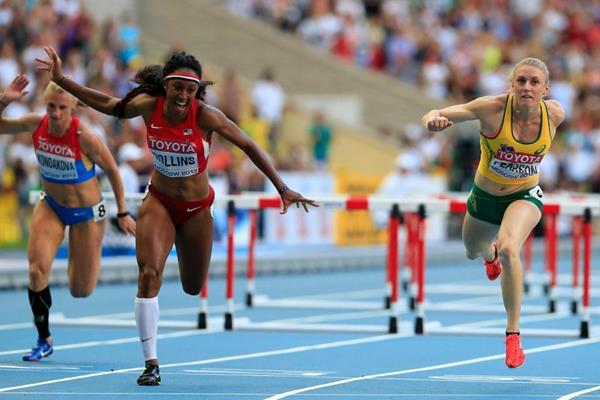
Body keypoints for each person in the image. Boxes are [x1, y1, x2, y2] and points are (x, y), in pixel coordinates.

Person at [37, 46, 318, 385]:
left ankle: (165, 328)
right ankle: (151, 362)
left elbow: (248, 145)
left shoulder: (206, 116)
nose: (183, 96)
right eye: (178, 88)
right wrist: (62, 80)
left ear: (197, 92)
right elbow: (110, 105)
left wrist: (281, 187)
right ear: (166, 86)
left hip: (197, 210)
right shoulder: (147, 105)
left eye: (191, 90)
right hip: (159, 202)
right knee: (149, 274)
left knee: (192, 286)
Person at [422, 57, 565, 369]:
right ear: (511, 85)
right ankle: (490, 256)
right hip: (484, 197)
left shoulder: (554, 114)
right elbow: (434, 113)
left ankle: (513, 334)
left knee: (512, 247)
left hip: (524, 195)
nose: (527, 87)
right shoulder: (491, 109)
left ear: (545, 88)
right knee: (472, 250)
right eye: (521, 81)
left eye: (534, 82)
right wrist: (433, 121)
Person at [0, 74, 136, 362]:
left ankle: (86, 260)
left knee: (80, 290)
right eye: (51, 107)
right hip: (51, 206)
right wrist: (4, 100)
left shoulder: (86, 137)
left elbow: (113, 171)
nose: (56, 114)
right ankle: (43, 338)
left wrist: (122, 212)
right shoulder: (36, 124)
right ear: (45, 105)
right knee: (37, 269)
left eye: (62, 108)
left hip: (88, 214)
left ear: (73, 107)